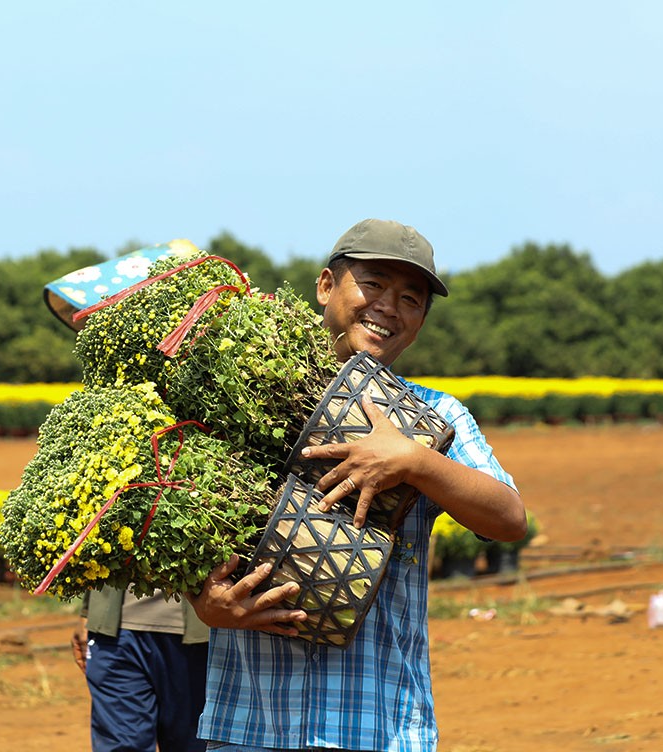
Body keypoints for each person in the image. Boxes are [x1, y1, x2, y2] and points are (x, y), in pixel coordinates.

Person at [190, 219, 527, 752]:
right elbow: (179, 535)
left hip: (377, 726)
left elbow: (509, 519)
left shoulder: (436, 416)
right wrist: (202, 603)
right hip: (248, 722)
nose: (389, 307)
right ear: (326, 287)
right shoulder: (238, 400)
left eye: (411, 298)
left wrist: (412, 460)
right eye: (372, 284)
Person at [71, 585, 210, 752]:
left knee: (194, 744)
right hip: (114, 631)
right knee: (120, 746)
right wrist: (87, 611)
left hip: (201, 633)